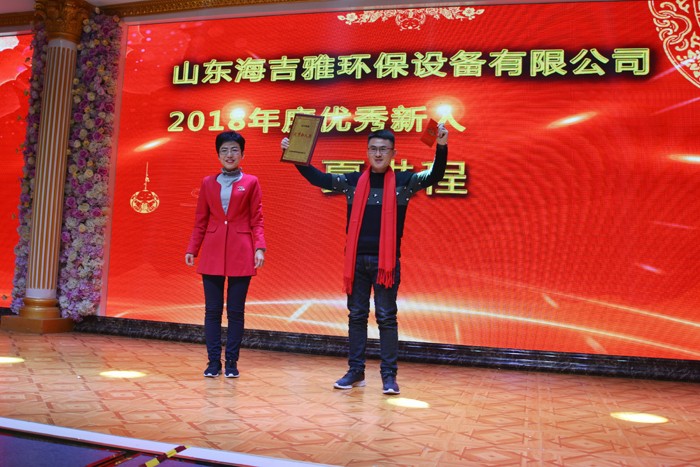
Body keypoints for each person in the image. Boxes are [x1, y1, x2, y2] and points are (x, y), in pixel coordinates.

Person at [281, 124, 448, 394]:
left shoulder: (405, 182)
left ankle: (389, 376)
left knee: (386, 317)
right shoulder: (353, 181)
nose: (378, 154)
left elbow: (435, 174)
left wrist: (441, 146)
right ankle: (355, 372)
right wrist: (295, 155)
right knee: (356, 316)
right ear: (367, 152)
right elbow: (318, 179)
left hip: (386, 264)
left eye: (383, 149)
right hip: (356, 262)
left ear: (393, 153)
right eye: (373, 149)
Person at [186, 131, 266, 379]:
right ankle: (213, 362)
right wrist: (192, 249)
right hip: (212, 250)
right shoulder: (208, 182)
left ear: (242, 154)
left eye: (234, 150)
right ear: (218, 154)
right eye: (224, 150)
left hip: (241, 250)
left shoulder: (251, 182)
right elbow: (201, 219)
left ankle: (231, 362)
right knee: (212, 311)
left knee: (235, 312)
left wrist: (259, 247)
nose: (229, 155)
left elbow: (257, 219)